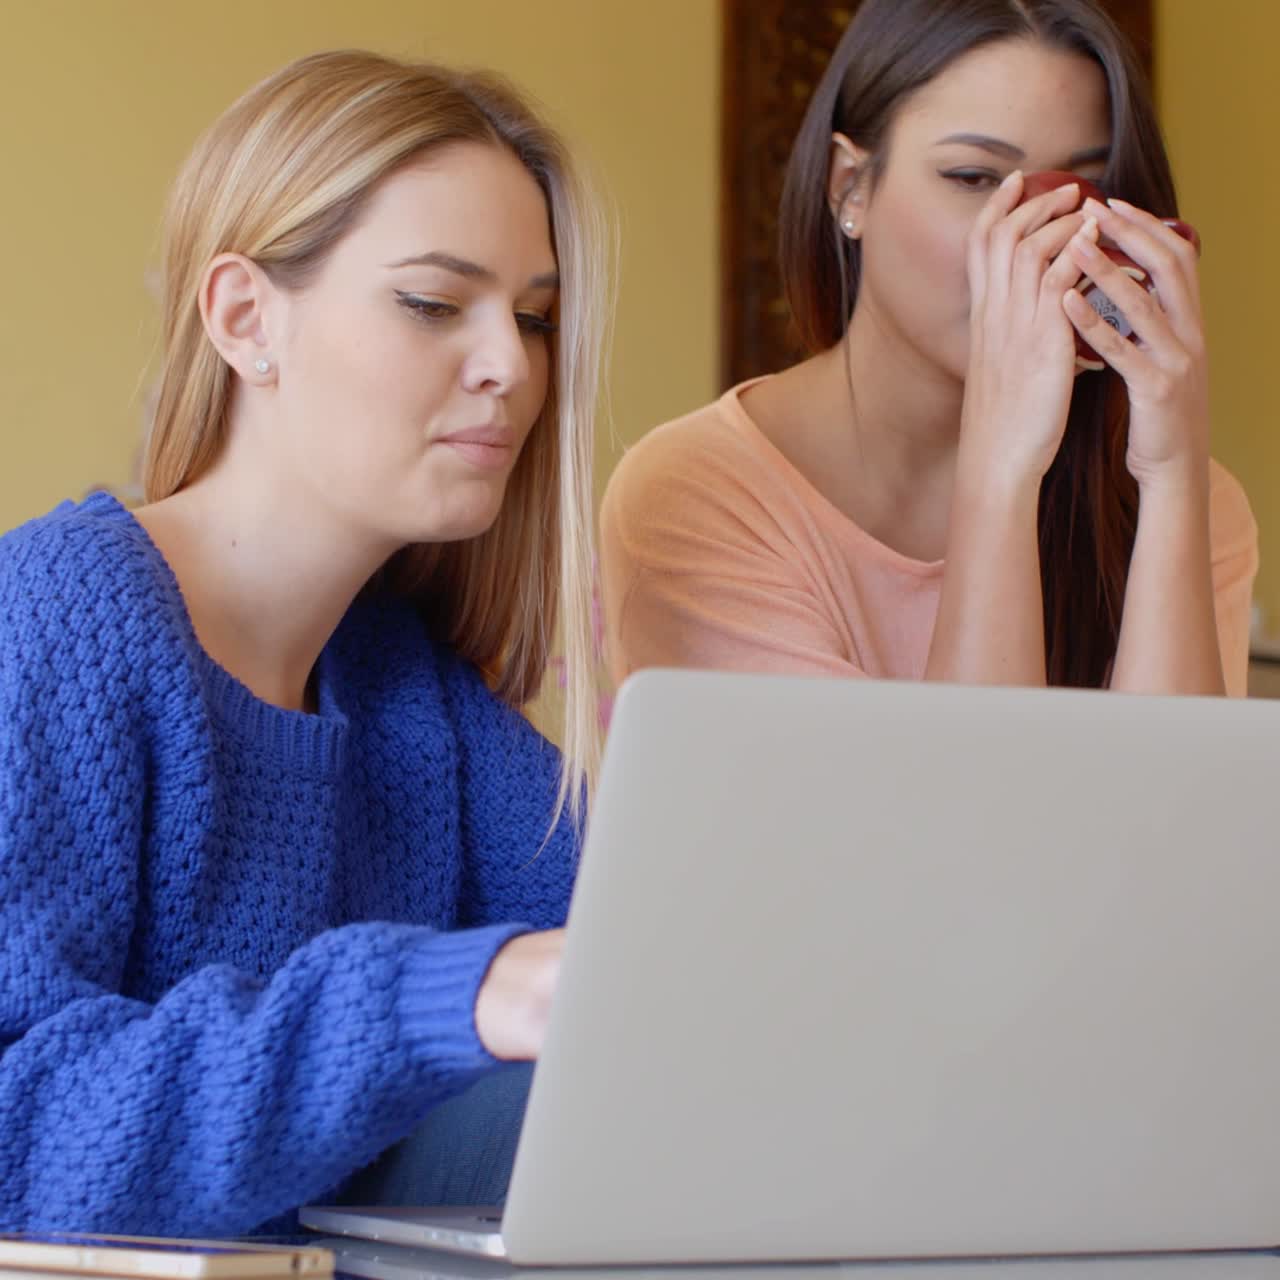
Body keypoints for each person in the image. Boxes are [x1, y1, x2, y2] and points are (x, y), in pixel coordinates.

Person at [0, 50, 607, 1236]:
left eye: (533, 317)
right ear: (243, 317)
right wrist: (440, 998)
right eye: (435, 302)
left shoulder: (409, 696)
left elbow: (649, 955)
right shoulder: (55, 620)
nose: (511, 368)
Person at [601, 0, 1258, 695]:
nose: (1034, 242)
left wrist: (1173, 479)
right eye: (974, 179)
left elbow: (1166, 802)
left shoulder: (1182, 501)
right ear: (849, 186)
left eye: (1079, 188)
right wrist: (1002, 470)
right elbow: (961, 800)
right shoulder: (696, 500)